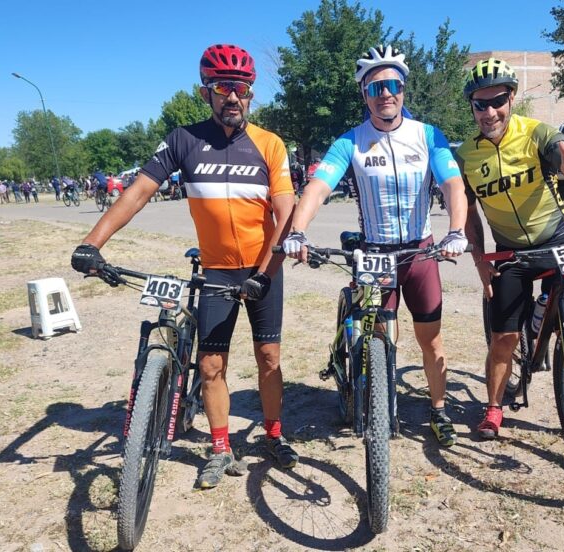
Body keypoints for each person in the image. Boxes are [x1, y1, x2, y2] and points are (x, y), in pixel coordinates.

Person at [71, 43, 297, 488]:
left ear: (251, 94)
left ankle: (274, 434)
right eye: (223, 87)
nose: (234, 97)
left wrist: (264, 275)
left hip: (262, 268)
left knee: (269, 358)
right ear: (205, 91)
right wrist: (91, 243)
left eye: (243, 89)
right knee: (210, 365)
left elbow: (286, 216)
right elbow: (138, 191)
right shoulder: (183, 140)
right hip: (216, 271)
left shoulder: (269, 144)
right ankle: (220, 447)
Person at [283, 44, 469, 448]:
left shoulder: (428, 135)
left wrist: (456, 231)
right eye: (375, 87)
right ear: (364, 94)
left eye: (393, 85)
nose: (386, 93)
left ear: (403, 89)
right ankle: (373, 392)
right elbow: (318, 188)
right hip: (375, 254)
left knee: (430, 338)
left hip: (420, 252)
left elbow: (453, 185)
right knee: (379, 337)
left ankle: (438, 411)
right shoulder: (350, 142)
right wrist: (297, 231)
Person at [453, 58, 564, 448]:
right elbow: (468, 211)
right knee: (503, 336)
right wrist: (479, 260)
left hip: (557, 239)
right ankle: (494, 406)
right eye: (480, 104)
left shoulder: (536, 133)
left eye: (498, 101)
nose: (490, 112)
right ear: (471, 107)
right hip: (509, 251)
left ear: (511, 99)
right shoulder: (466, 155)